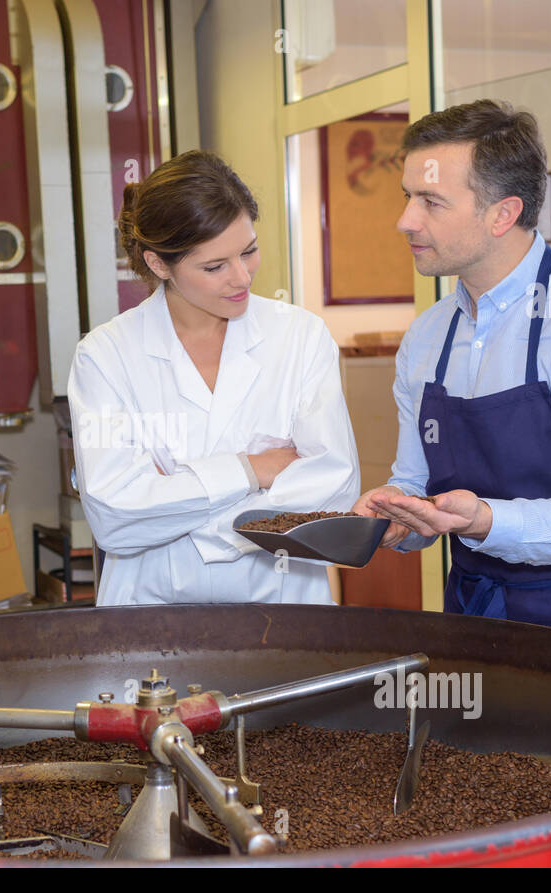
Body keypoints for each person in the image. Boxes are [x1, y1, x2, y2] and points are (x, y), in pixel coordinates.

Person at [351, 100, 551, 656]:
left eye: (430, 201)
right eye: (408, 196)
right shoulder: (427, 338)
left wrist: (481, 519)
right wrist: (401, 513)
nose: (405, 219)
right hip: (477, 614)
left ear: (502, 214)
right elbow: (416, 481)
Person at [68, 150, 360, 605]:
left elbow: (333, 487)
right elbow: (115, 517)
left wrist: (177, 496)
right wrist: (252, 469)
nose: (241, 277)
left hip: (282, 603)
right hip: (150, 610)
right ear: (160, 265)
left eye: (248, 251)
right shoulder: (105, 357)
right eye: (214, 267)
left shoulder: (299, 336)